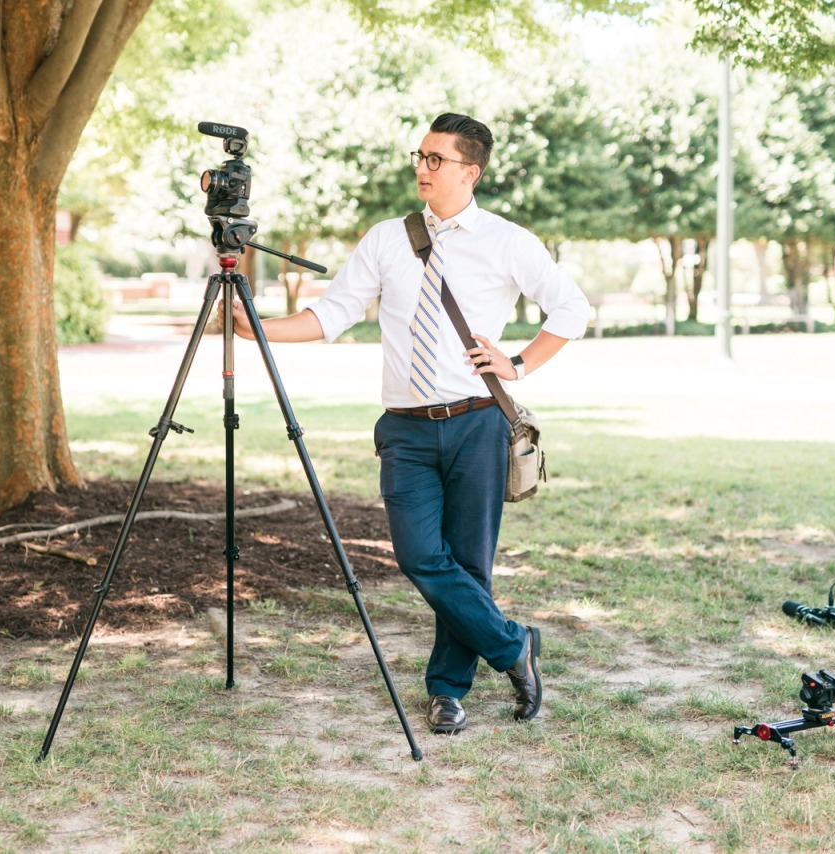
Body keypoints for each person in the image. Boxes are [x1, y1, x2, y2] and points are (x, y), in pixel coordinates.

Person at [220, 113, 590, 734]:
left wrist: (519, 362)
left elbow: (572, 308)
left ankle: (447, 690)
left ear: (471, 171)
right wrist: (255, 328)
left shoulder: (507, 241)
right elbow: (333, 312)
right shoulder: (388, 238)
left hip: (477, 424)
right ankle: (513, 646)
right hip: (406, 430)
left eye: (436, 159)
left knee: (469, 565)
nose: (422, 167)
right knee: (420, 555)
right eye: (419, 156)